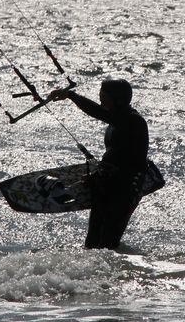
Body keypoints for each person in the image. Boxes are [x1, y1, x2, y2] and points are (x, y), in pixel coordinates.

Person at [50, 78, 149, 249]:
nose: (100, 98)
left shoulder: (133, 120)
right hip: (107, 184)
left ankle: (117, 272)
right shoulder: (116, 122)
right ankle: (94, 274)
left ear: (117, 98)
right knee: (92, 241)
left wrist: (71, 95)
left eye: (103, 95)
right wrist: (97, 175)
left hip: (126, 188)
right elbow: (117, 155)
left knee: (108, 241)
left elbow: (98, 112)